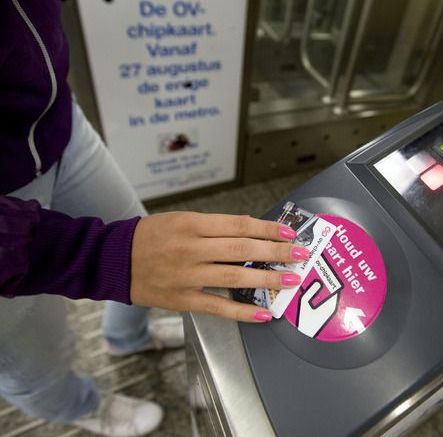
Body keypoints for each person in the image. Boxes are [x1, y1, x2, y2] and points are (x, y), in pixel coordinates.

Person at [0, 1, 309, 435]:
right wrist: (97, 257)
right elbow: (109, 257)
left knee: (146, 244)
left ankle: (127, 339)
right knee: (33, 350)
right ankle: (80, 406)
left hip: (56, 123)